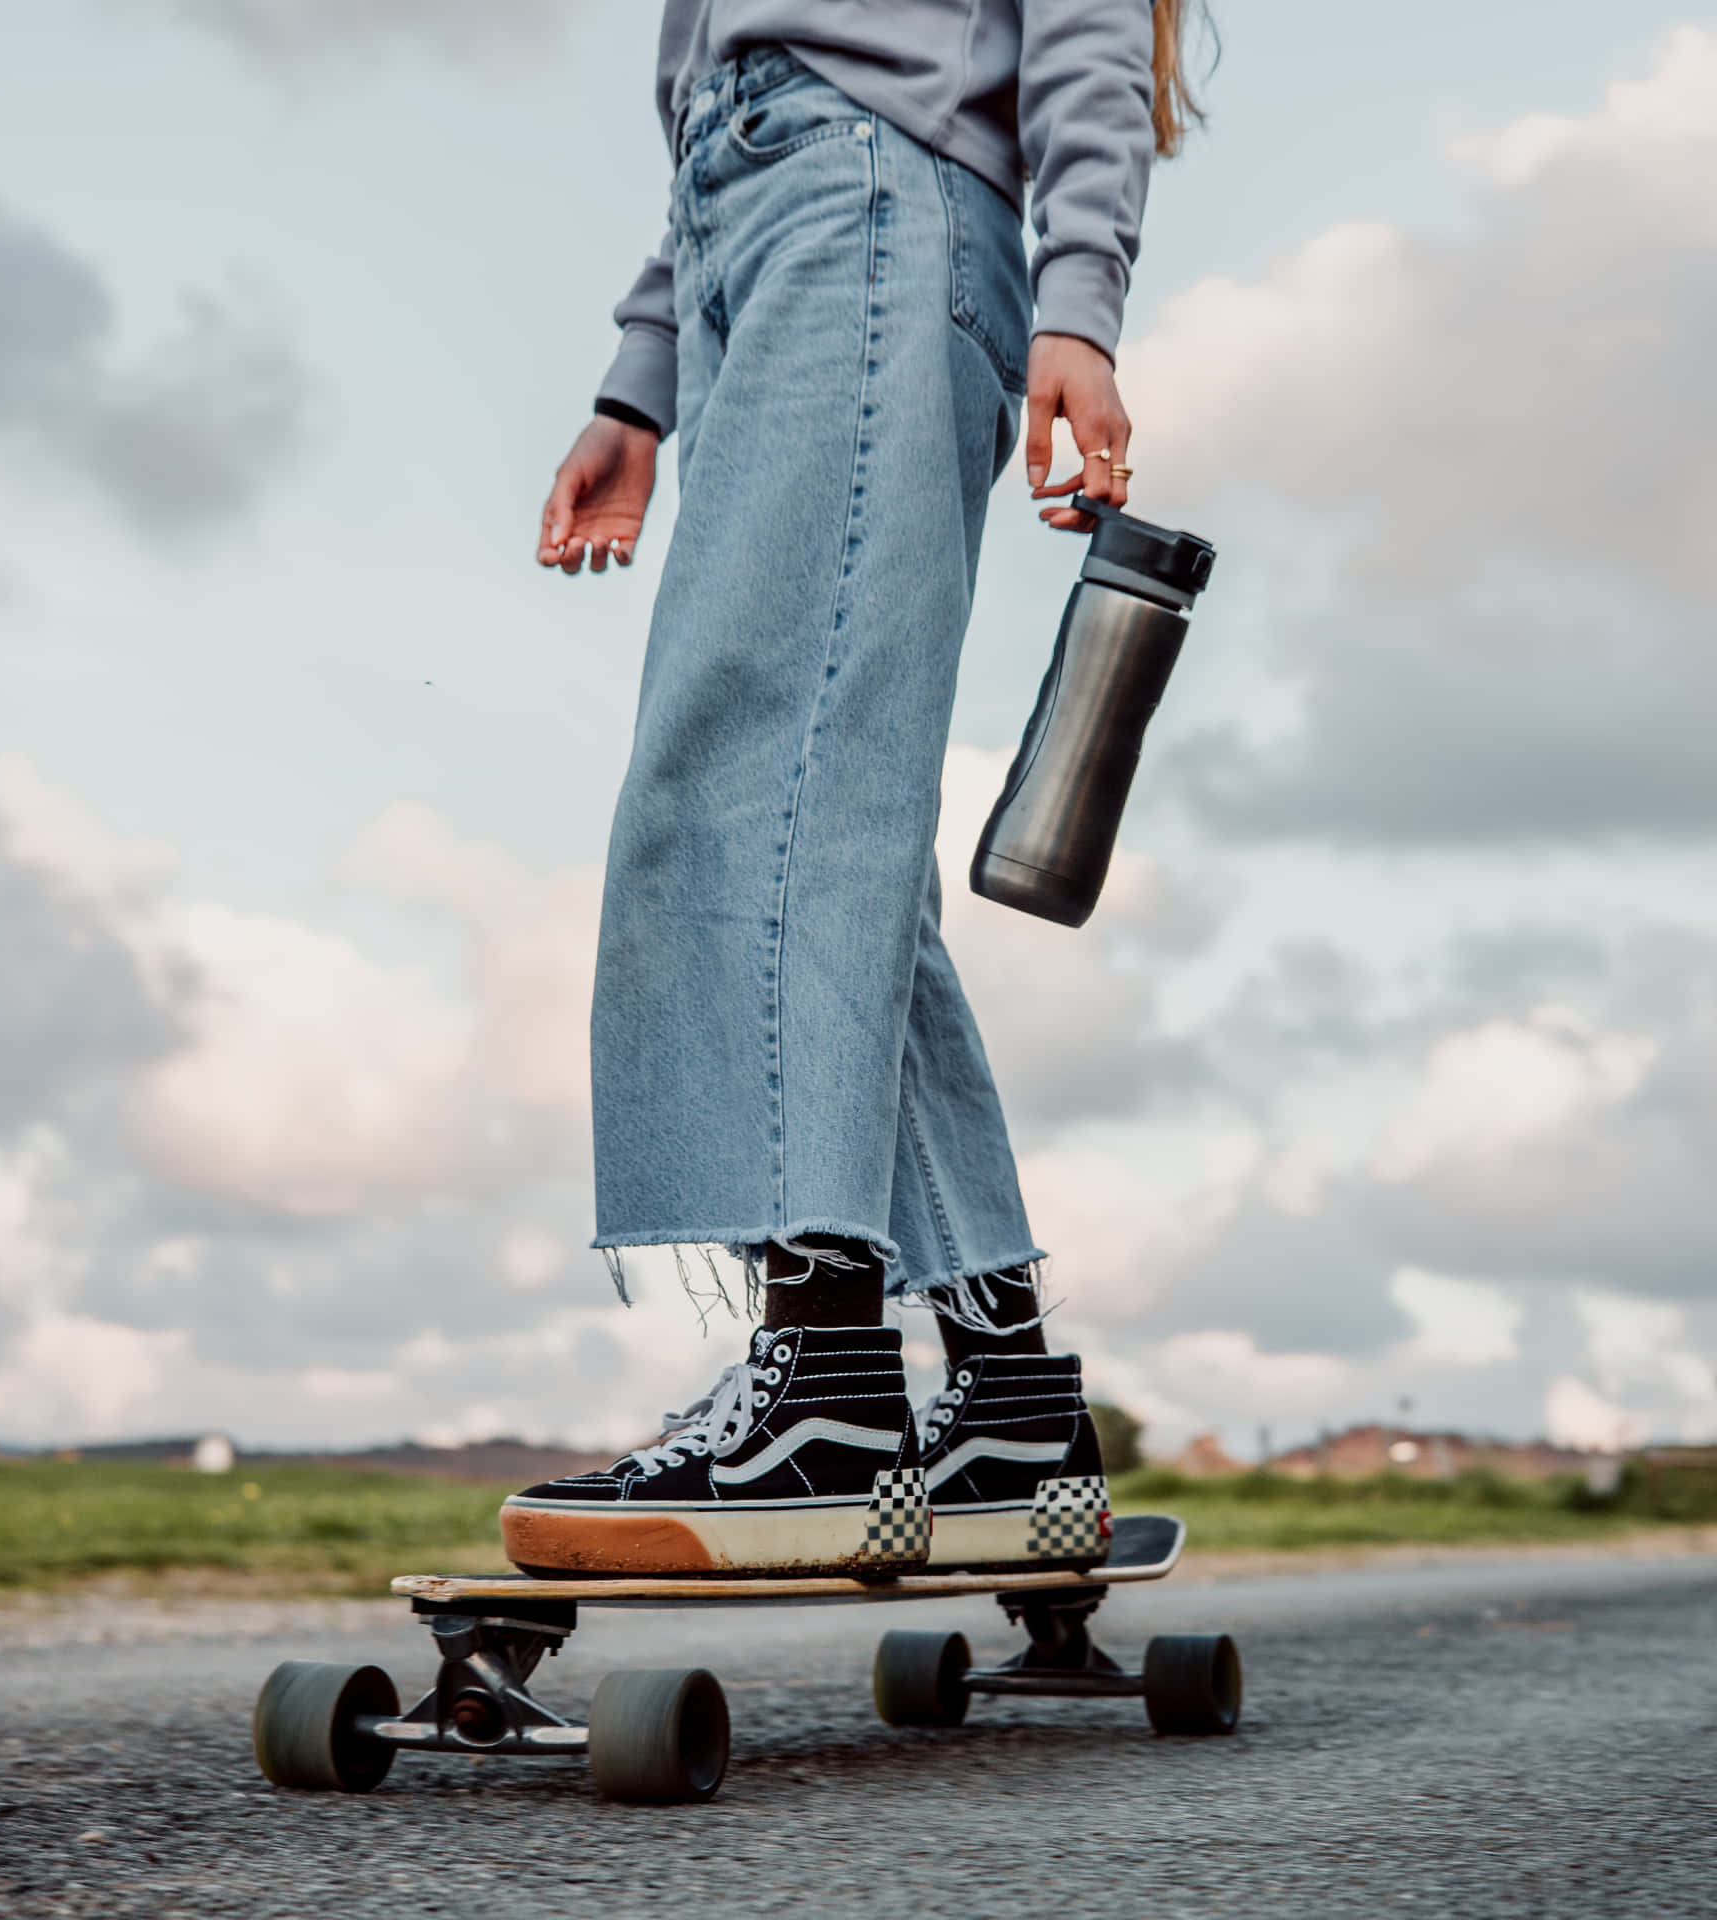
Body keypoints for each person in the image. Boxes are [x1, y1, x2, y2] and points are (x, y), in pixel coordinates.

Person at [503, 0, 1203, 1580]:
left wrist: (1077, 304)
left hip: (872, 212)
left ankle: (824, 1383)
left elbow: (1084, 21)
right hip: (763, 224)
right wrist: (642, 379)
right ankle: (1008, 1393)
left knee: (760, 794)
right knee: (827, 829)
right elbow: (717, 82)